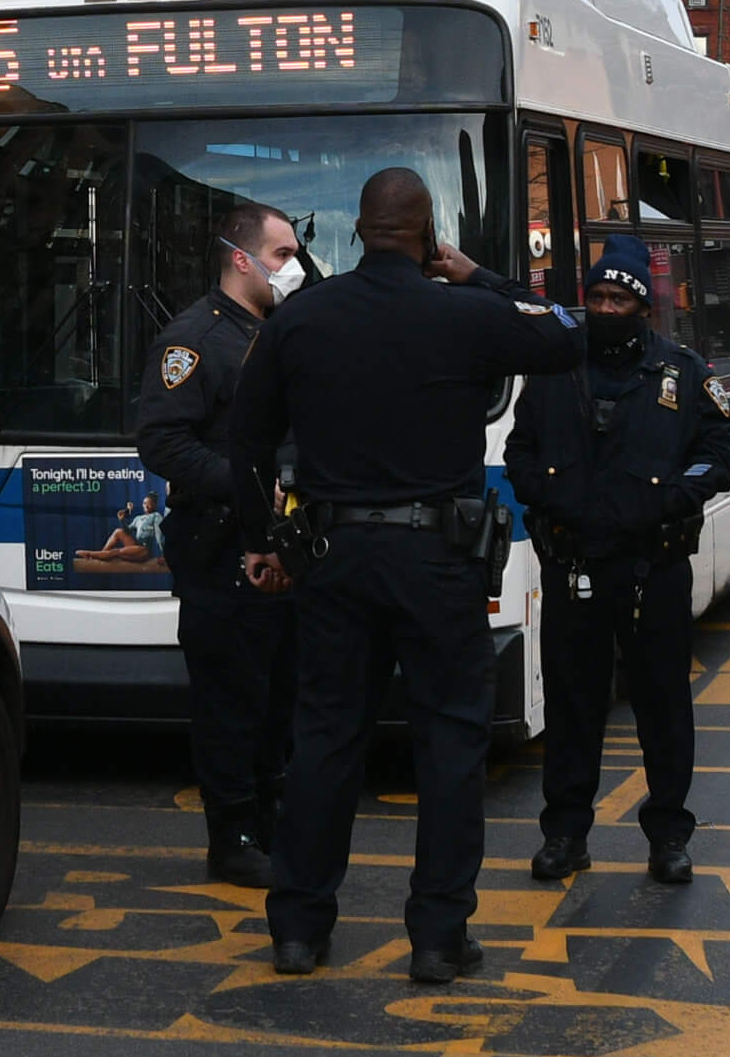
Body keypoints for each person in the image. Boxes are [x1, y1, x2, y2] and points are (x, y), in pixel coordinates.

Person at [230, 168, 583, 985]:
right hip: (437, 561)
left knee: (324, 737)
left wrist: (266, 540)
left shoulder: (303, 317)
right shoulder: (464, 312)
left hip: (333, 559)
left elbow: (247, 440)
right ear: (425, 237)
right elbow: (565, 336)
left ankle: (299, 927)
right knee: (451, 742)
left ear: (358, 230)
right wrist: (479, 277)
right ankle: (437, 934)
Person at [508, 234, 730, 889]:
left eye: (620, 298)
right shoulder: (555, 369)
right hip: (574, 565)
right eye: (598, 296)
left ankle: (668, 835)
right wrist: (551, 494)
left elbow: (718, 454)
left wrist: (666, 497)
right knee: (573, 707)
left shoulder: (683, 372)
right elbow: (521, 450)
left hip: (652, 569)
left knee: (662, 709)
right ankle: (565, 834)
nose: (606, 308)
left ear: (644, 305)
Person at [136, 203, 306, 889]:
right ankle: (232, 836)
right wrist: (247, 487)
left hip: (283, 548)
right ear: (242, 260)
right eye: (281, 253)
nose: (293, 267)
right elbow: (163, 441)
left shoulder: (279, 332)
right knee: (230, 705)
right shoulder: (196, 340)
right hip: (221, 549)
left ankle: (270, 824)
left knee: (280, 701)